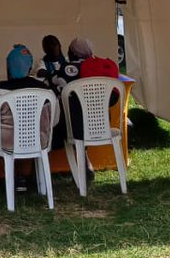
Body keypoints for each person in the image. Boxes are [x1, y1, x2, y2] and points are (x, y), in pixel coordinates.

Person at [0, 44, 54, 198]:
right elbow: (54, 119)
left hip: (6, 141)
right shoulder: (45, 90)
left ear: (8, 67)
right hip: (37, 139)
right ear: (29, 67)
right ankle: (22, 179)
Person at [48, 37, 120, 182]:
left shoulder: (67, 69)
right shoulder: (99, 70)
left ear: (73, 53)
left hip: (76, 129)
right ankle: (85, 161)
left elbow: (52, 81)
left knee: (50, 127)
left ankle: (38, 172)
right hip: (102, 127)